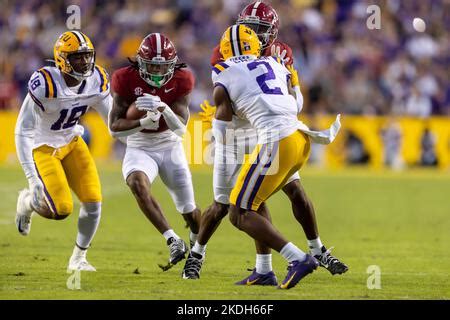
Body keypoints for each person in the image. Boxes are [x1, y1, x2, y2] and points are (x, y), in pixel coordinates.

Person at [182, 1, 348, 282]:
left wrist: (291, 80)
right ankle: (197, 255)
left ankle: (306, 253)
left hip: (269, 132)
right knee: (224, 204)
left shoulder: (278, 54)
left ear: (271, 32)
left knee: (286, 193)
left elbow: (292, 99)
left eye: (260, 30)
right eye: (249, 29)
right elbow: (234, 99)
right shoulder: (229, 53)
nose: (254, 35)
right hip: (238, 133)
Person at [15, 31, 112, 271]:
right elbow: (22, 131)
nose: (85, 62)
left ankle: (78, 259)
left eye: (87, 56)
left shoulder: (96, 79)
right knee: (60, 210)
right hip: (43, 147)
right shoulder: (45, 84)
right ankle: (26, 202)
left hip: (72, 141)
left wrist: (140, 128)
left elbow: (112, 121)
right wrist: (31, 178)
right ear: (62, 59)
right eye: (77, 57)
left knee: (93, 202)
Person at [109, 33, 201, 269]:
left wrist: (163, 109)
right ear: (140, 62)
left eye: (163, 67)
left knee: (190, 211)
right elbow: (114, 128)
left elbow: (181, 129)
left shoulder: (183, 78)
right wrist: (141, 123)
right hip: (140, 144)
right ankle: (172, 240)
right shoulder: (124, 78)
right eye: (152, 66)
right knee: (137, 184)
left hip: (170, 144)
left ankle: (197, 254)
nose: (158, 73)